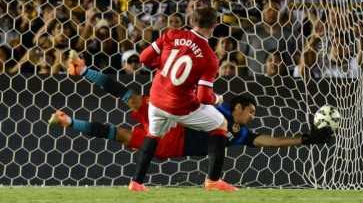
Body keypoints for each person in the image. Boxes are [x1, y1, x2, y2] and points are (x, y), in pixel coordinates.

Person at [52, 53, 333, 174]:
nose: (252, 117)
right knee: (134, 100)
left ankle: (69, 121)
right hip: (173, 118)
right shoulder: (219, 109)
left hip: (175, 142)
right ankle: (82, 71)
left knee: (121, 135)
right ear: (238, 108)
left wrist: (304, 139)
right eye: (250, 112)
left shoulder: (241, 134)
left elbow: (266, 141)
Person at [129, 7, 234, 192]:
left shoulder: (171, 34)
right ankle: (213, 181)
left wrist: (160, 66)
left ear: (192, 20)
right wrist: (217, 99)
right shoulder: (210, 57)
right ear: (215, 26)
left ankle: (136, 183)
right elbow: (203, 97)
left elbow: (144, 58)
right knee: (221, 125)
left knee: (153, 135)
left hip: (156, 100)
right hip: (180, 106)